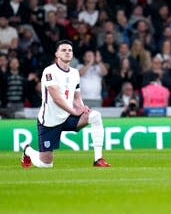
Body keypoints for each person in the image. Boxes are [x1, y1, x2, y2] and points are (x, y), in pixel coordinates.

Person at [20, 40, 110, 168]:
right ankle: (27, 150)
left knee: (95, 116)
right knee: (45, 164)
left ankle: (98, 159)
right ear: (57, 54)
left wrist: (81, 107)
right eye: (63, 50)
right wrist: (74, 111)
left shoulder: (75, 73)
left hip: (68, 117)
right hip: (50, 120)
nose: (67, 52)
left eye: (69, 50)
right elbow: (56, 98)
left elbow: (77, 97)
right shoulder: (49, 72)